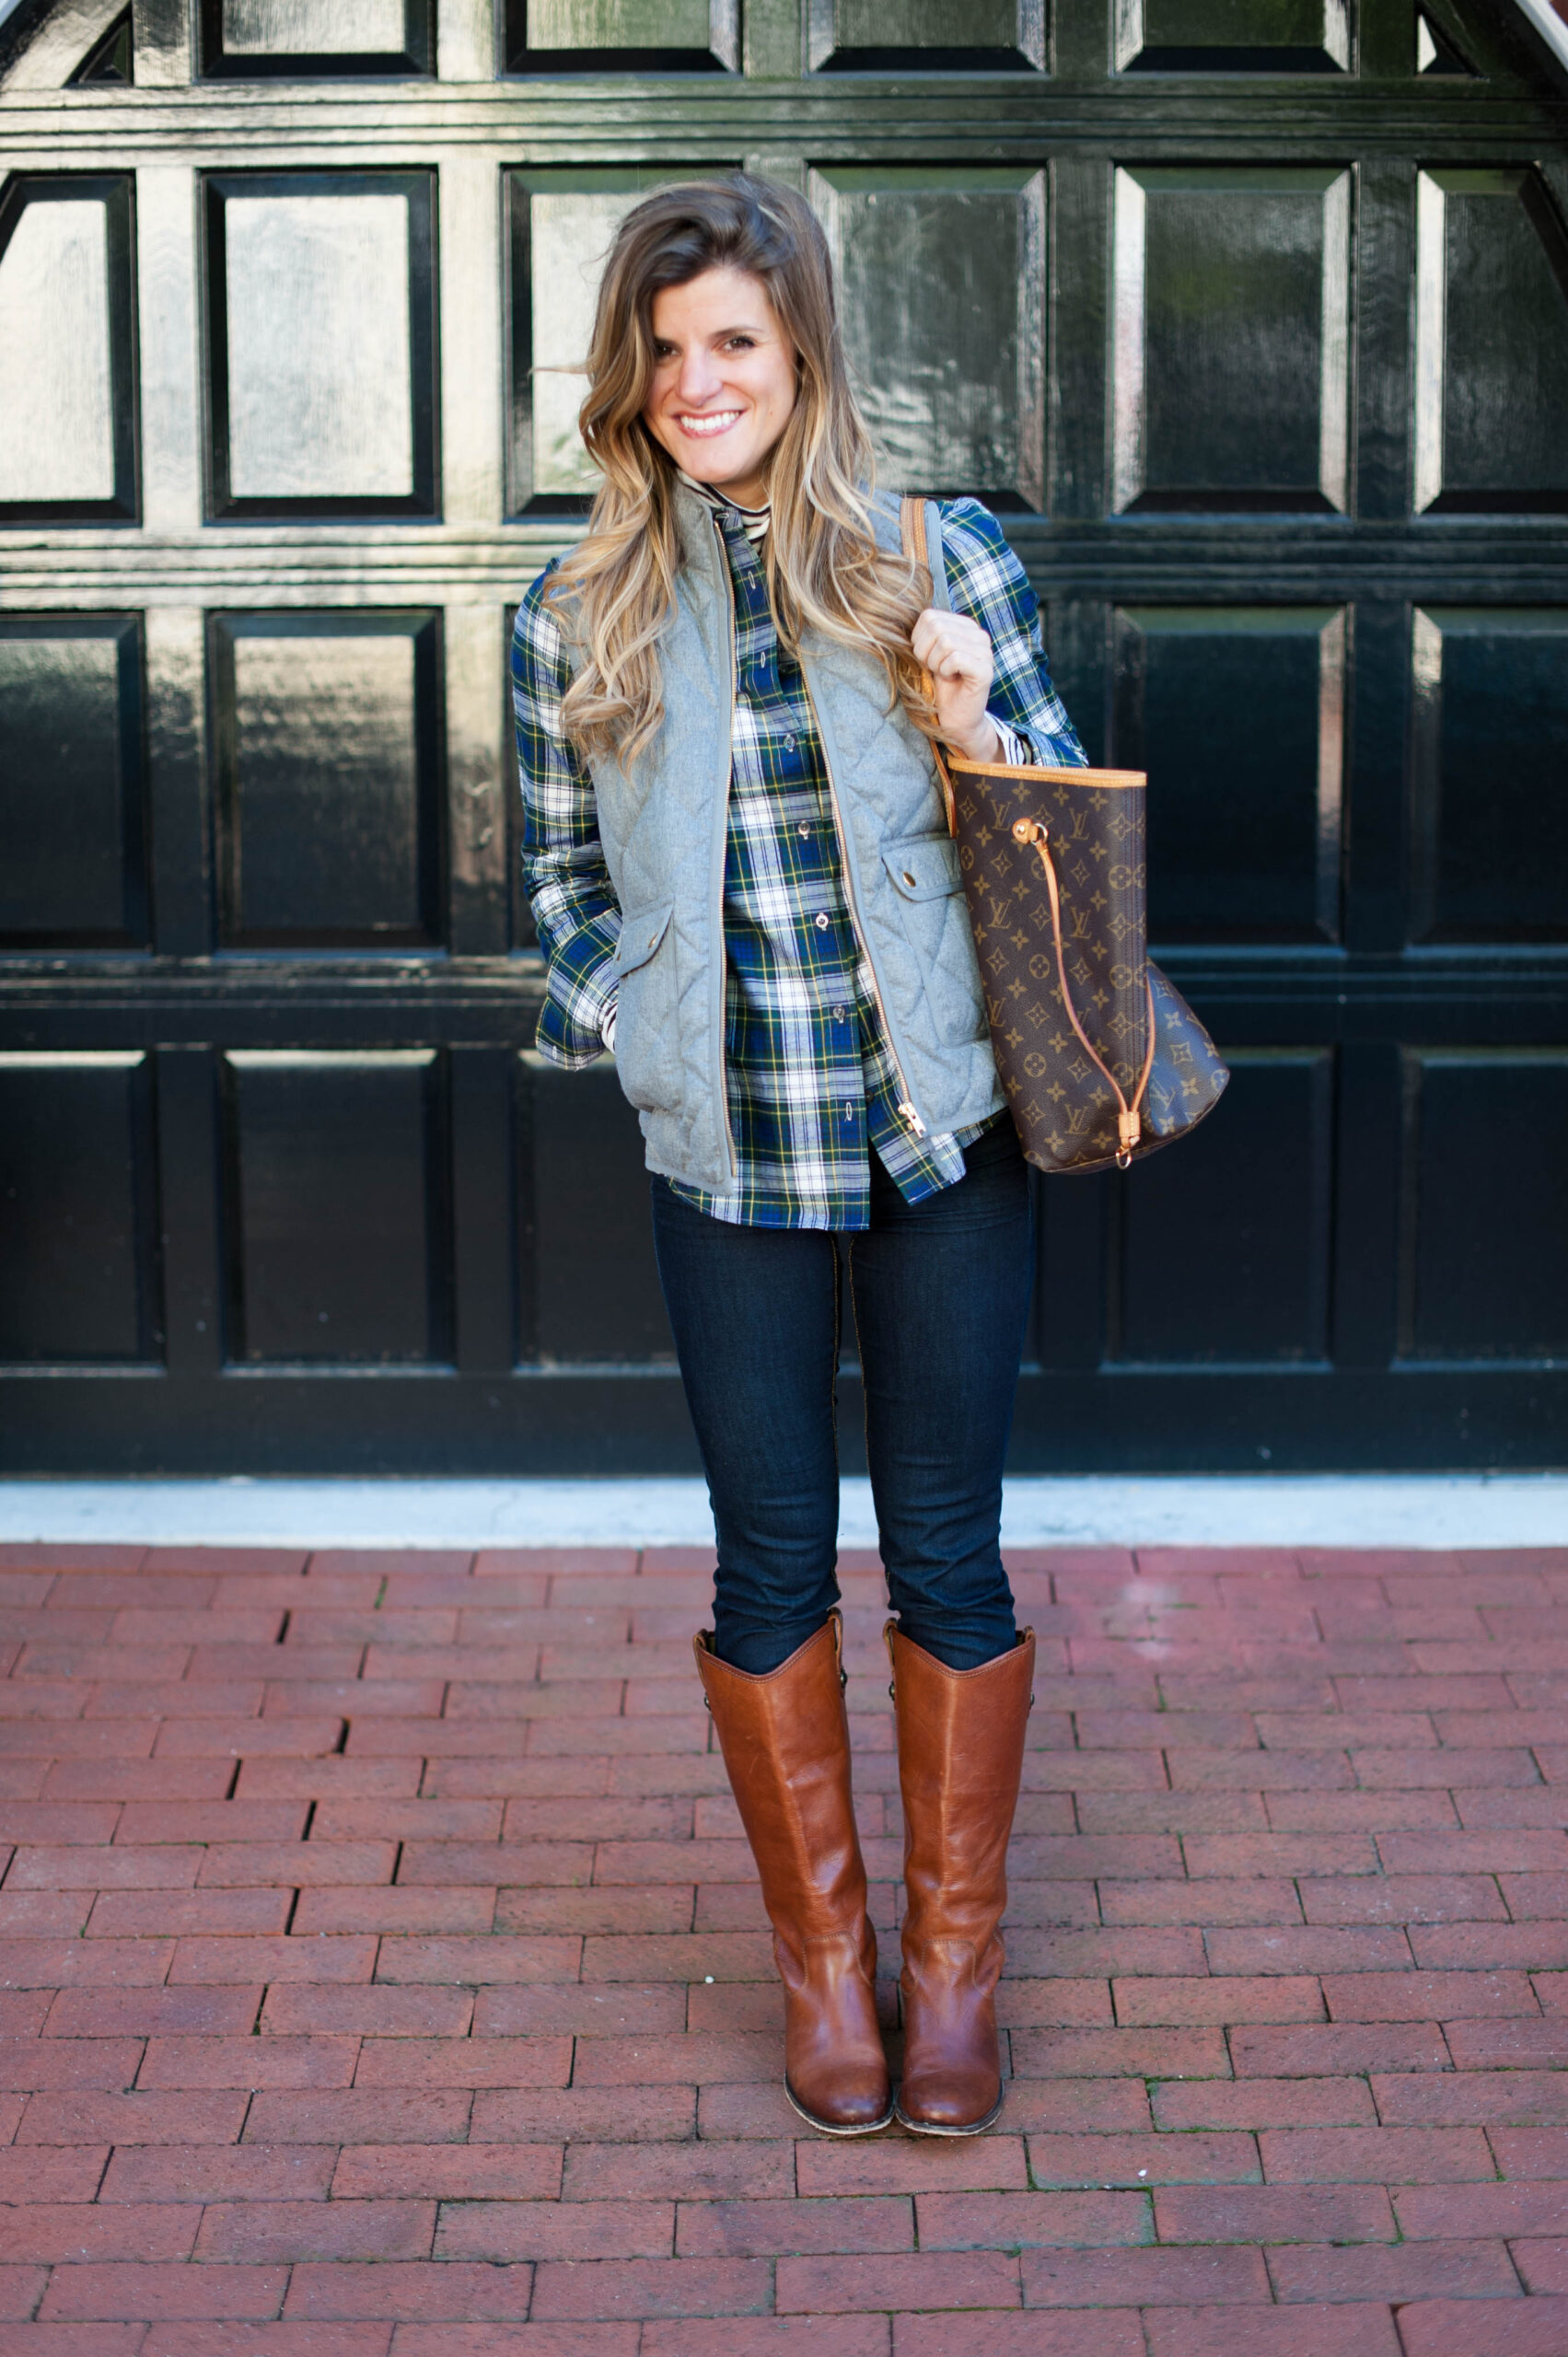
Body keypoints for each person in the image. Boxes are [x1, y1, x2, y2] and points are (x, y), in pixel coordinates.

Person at [512, 175, 1086, 2138]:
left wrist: (964, 703)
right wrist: (636, 1022)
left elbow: (1057, 853)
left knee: (946, 1553)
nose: (697, 382)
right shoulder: (571, 613)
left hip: (941, 1142)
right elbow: (561, 891)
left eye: (733, 343)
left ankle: (955, 1975)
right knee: (770, 1565)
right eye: (665, 353)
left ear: (804, 354)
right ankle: (827, 1970)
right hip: (727, 1166)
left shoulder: (943, 556)